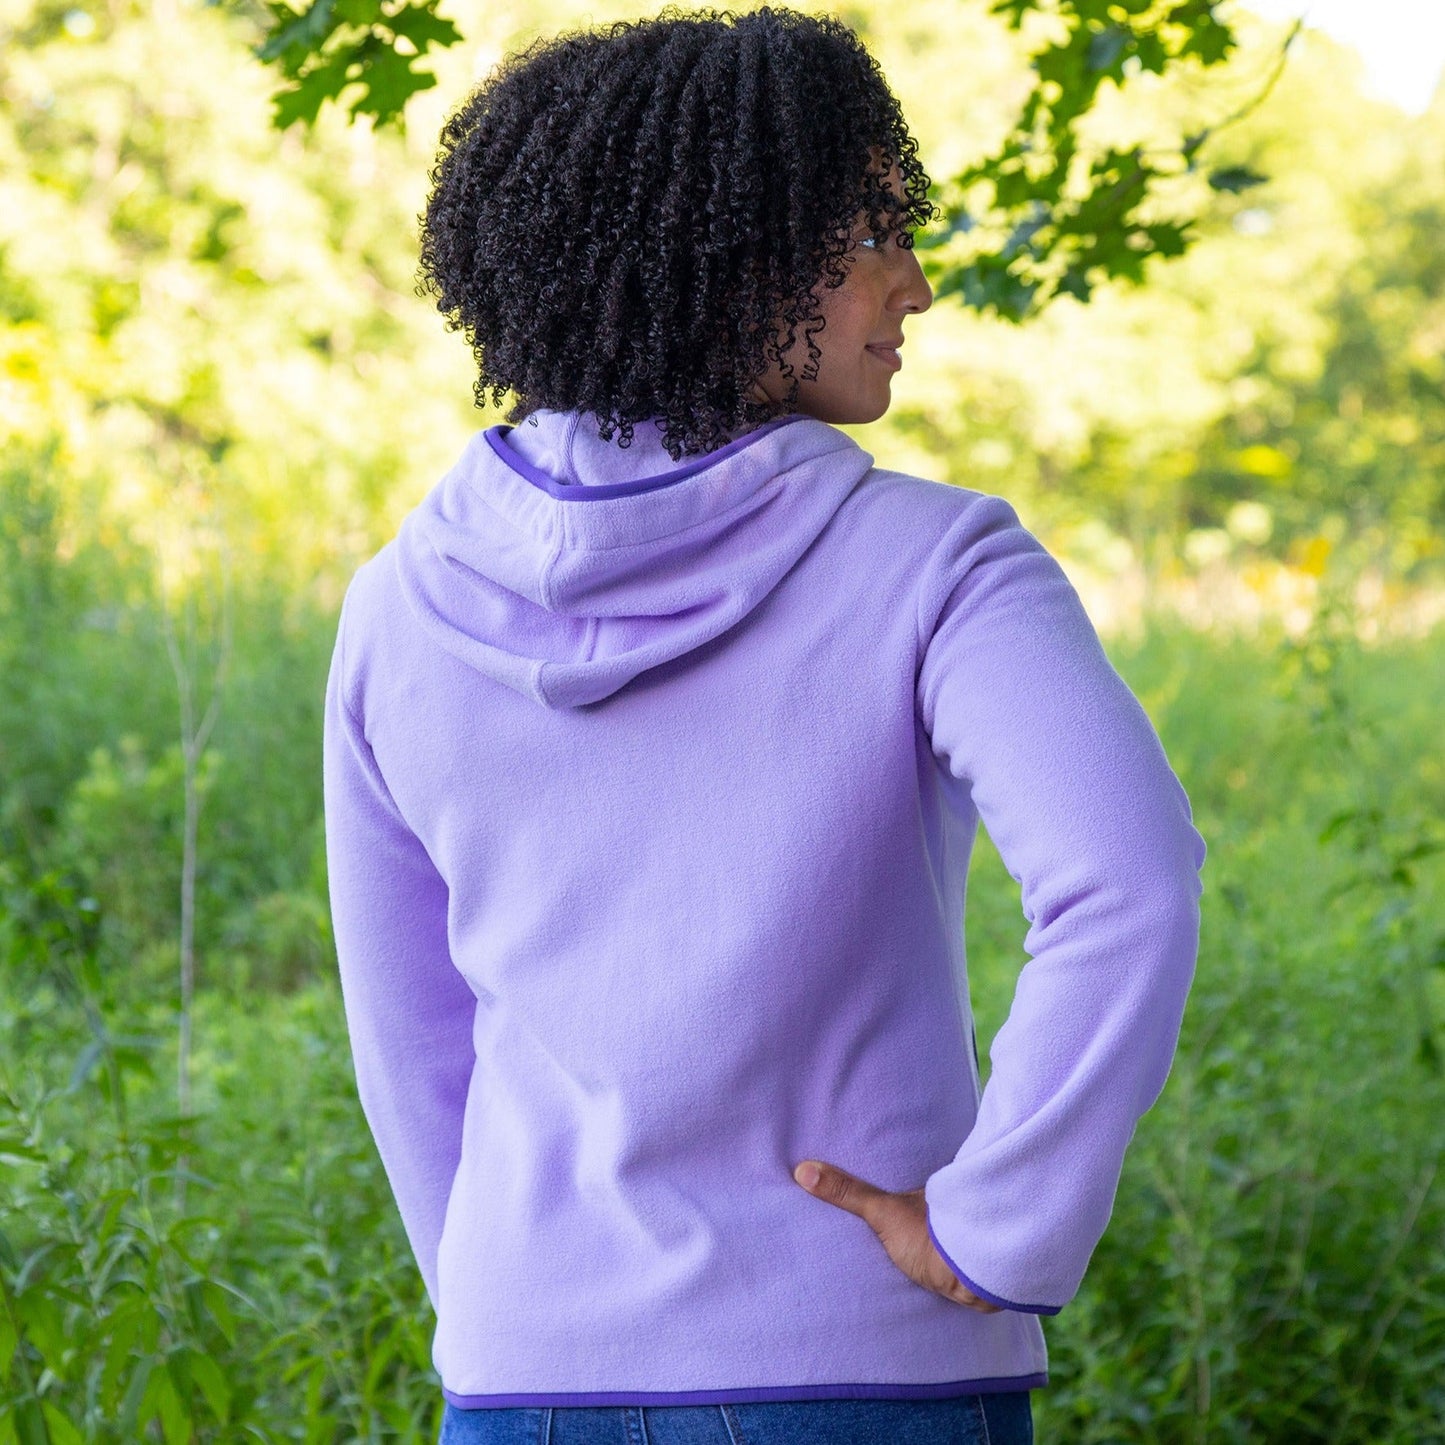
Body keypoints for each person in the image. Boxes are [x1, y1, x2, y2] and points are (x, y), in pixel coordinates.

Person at [321, 7, 1208, 1444]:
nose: (913, 283)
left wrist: (517, 1302)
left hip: (523, 1375)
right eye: (867, 231)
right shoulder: (941, 564)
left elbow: (408, 1037)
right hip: (864, 1365)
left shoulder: (396, 610)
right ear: (724, 257)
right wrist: (995, 1233)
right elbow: (1132, 885)